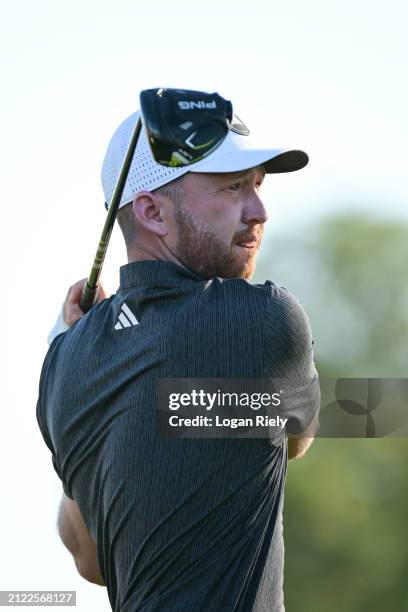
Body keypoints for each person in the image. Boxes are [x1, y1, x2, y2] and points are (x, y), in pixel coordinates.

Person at [37, 106, 320, 611]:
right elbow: (298, 437)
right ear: (151, 212)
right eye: (232, 188)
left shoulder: (66, 363)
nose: (258, 211)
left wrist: (98, 396)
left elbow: (89, 560)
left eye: (257, 186)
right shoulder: (263, 321)